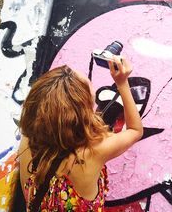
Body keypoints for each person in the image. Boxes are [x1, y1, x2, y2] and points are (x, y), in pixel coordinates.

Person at [17, 56, 143, 211]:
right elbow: (135, 130)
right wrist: (122, 83)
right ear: (81, 113)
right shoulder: (94, 151)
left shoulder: (28, 138)